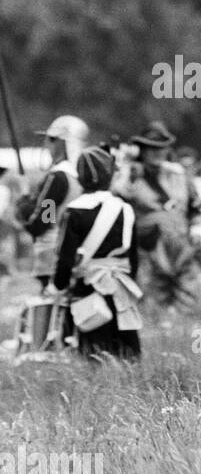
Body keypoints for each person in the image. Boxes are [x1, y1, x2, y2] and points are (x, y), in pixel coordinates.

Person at [52, 147, 143, 360]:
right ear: (111, 175)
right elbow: (134, 256)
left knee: (93, 348)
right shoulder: (125, 208)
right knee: (127, 348)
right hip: (121, 282)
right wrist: (131, 280)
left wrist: (59, 284)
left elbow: (65, 257)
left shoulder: (73, 211)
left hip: (88, 283)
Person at [113, 121, 201, 308]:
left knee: (189, 308)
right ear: (140, 150)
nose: (157, 152)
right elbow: (115, 201)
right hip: (147, 251)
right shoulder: (129, 176)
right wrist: (126, 167)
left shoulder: (178, 175)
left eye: (161, 147)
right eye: (150, 148)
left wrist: (200, 227)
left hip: (182, 249)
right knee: (152, 309)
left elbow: (198, 208)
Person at [17, 114, 87, 288]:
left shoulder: (58, 177)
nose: (47, 145)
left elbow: (44, 220)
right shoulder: (80, 176)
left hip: (52, 256)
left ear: (64, 143)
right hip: (73, 253)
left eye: (52, 139)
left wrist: (24, 206)